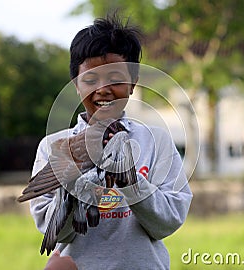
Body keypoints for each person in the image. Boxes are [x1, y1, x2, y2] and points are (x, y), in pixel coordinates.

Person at [29, 14, 193, 270]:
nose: (103, 89)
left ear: (133, 84)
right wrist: (74, 182)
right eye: (91, 80)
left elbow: (168, 221)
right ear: (76, 85)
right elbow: (54, 231)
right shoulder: (54, 145)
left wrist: (131, 183)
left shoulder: (156, 141)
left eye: (115, 79)